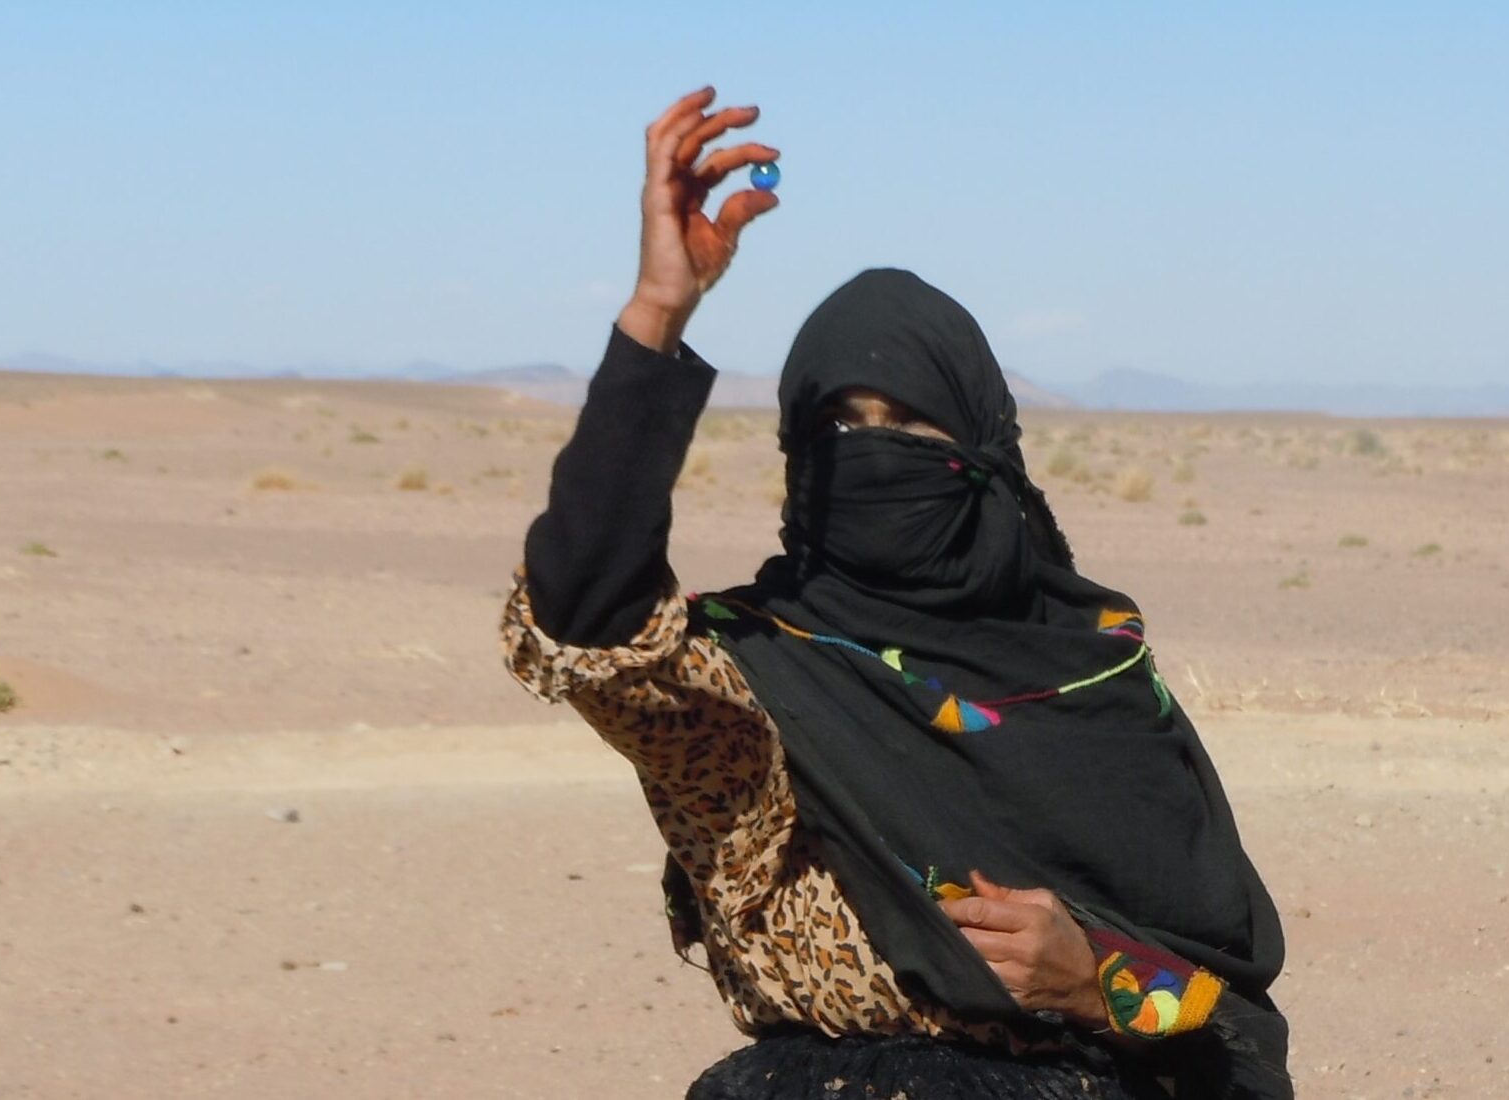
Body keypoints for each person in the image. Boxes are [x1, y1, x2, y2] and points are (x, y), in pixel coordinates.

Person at [502, 86, 1290, 1100]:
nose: (868, 459)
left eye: (905, 428)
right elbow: (584, 615)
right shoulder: (752, 682)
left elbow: (1233, 1027)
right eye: (833, 431)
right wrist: (658, 312)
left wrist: (1097, 983)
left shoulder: (1091, 680)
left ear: (982, 453)